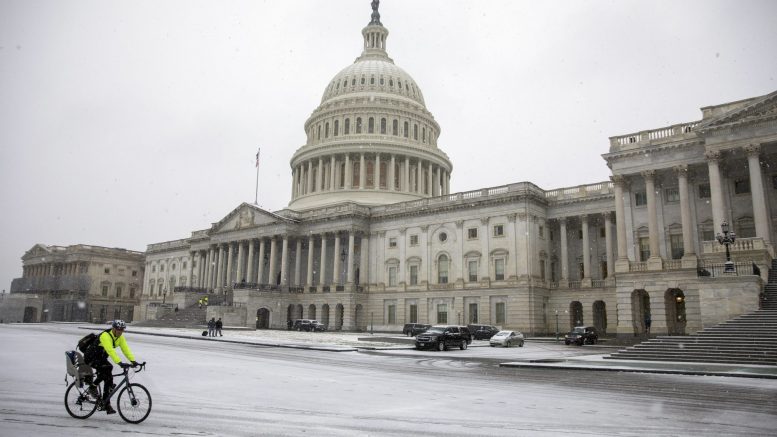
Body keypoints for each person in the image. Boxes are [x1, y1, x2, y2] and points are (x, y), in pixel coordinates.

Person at [86, 320, 138, 415]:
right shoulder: (105, 336)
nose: (120, 332)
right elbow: (110, 351)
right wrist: (119, 362)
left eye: (122, 330)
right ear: (113, 329)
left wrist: (133, 361)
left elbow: (125, 349)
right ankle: (92, 387)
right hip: (91, 357)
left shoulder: (120, 337)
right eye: (118, 330)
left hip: (101, 358)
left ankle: (106, 404)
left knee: (108, 377)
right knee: (108, 368)